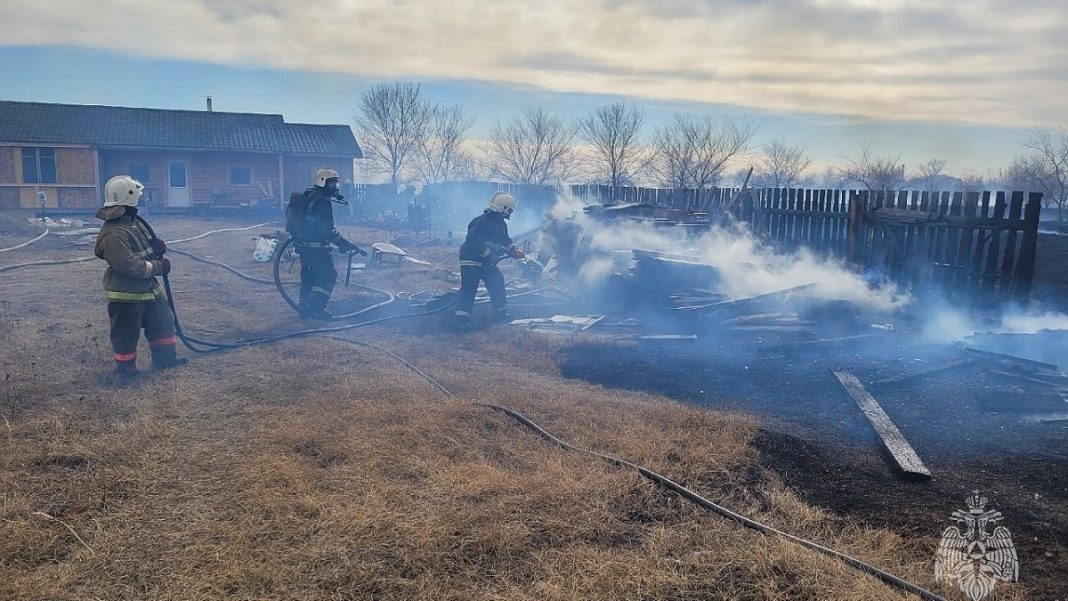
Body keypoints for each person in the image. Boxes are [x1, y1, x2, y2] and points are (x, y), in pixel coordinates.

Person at [94, 175, 186, 377]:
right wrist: (158, 266)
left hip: (148, 290)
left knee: (163, 320)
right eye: (137, 196)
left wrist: (154, 248)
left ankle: (165, 360)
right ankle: (126, 370)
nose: (141, 200)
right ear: (128, 199)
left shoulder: (131, 224)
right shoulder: (114, 234)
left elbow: (139, 251)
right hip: (127, 294)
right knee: (126, 333)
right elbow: (129, 266)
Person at [285, 168, 361, 320]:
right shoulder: (322, 202)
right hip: (317, 248)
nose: (335, 187)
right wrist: (343, 244)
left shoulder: (309, 195)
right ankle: (316, 308)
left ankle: (304, 307)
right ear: (322, 182)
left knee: (309, 276)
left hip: (304, 246)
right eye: (332, 184)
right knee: (328, 275)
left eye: (336, 184)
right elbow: (327, 230)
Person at [455, 191, 525, 329]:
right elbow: (472, 241)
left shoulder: (501, 224)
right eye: (509, 210)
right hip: (471, 259)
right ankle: (462, 322)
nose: (510, 213)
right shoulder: (481, 221)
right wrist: (488, 254)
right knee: (469, 289)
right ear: (503, 208)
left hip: (486, 262)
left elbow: (505, 239)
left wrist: (514, 250)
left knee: (497, 281)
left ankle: (500, 316)